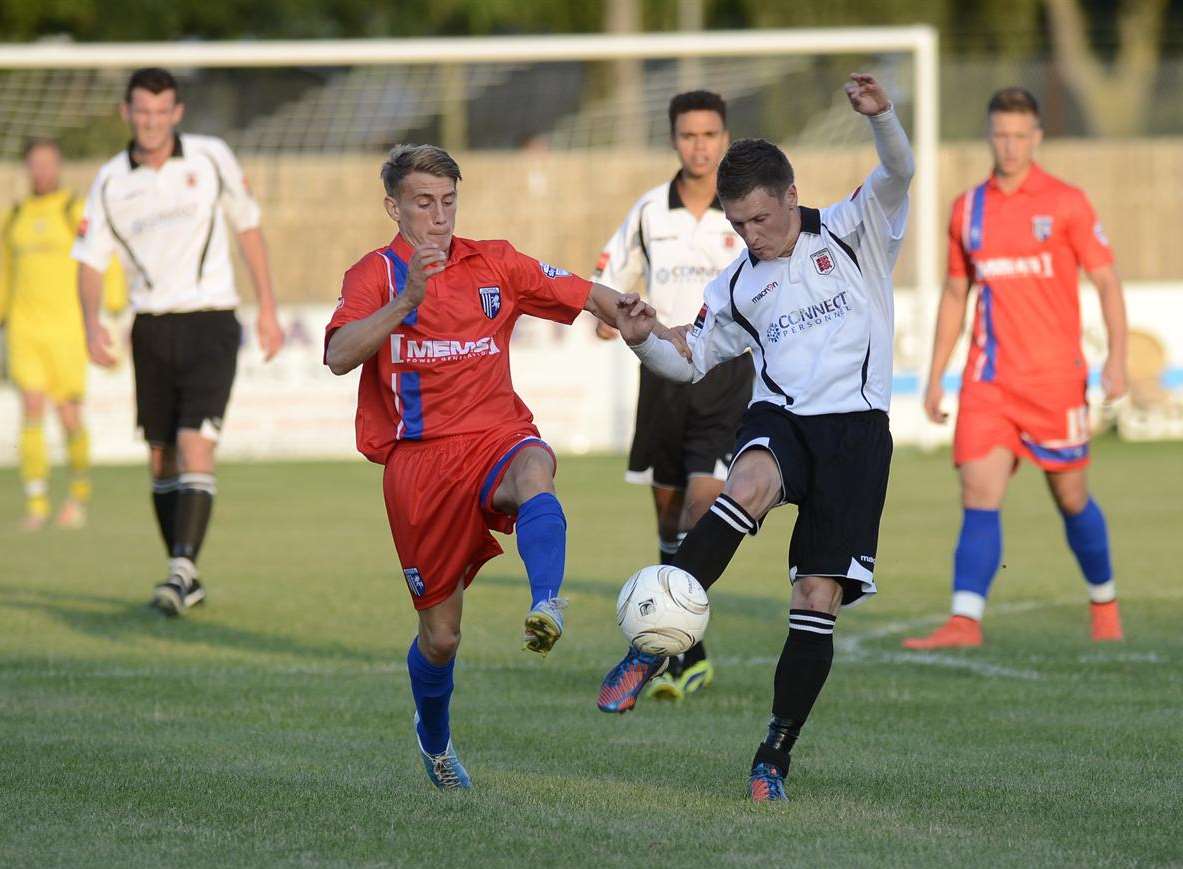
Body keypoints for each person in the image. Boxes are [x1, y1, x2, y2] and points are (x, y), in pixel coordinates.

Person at [597, 74, 914, 803]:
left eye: (762, 220)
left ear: (790, 194)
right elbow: (688, 358)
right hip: (780, 420)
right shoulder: (738, 282)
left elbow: (899, 170)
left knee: (814, 595)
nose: (751, 237)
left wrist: (883, 119)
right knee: (744, 483)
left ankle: (773, 751)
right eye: (739, 224)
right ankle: (650, 648)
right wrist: (640, 339)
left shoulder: (853, 227)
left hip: (855, 435)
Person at [323, 143, 661, 791]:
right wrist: (405, 301)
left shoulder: (495, 262)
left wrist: (642, 319)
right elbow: (339, 353)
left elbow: (587, 293)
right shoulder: (375, 274)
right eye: (424, 203)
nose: (439, 216)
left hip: (496, 437)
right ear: (393, 207)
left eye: (448, 201)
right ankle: (435, 739)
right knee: (441, 639)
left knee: (535, 466)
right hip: (420, 469)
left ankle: (546, 602)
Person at [902, 87, 1127, 651]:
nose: (1010, 145)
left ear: (1037, 137)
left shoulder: (1067, 202)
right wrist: (935, 376)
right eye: (1001, 133)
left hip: (1055, 383)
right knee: (978, 493)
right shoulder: (968, 208)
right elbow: (957, 293)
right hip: (988, 383)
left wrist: (1117, 359)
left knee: (1072, 498)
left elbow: (1105, 280)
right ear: (988, 134)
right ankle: (964, 621)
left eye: (1020, 134)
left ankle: (1105, 604)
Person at [72, 67, 284, 615]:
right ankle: (184, 573)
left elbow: (248, 228)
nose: (151, 121)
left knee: (195, 442)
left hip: (211, 318)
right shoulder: (109, 180)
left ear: (177, 113)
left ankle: (179, 570)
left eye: (161, 111)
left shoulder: (211, 157)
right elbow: (90, 261)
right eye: (142, 111)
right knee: (161, 456)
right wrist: (91, 319)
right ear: (127, 113)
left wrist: (267, 306)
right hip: (151, 327)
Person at [593, 90, 751, 702]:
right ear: (674, 140)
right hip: (662, 373)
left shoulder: (743, 209)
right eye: (689, 135)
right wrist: (605, 315)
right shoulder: (647, 212)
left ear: (724, 139)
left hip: (727, 377)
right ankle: (688, 650)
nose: (700, 145)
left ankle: (675, 648)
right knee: (666, 514)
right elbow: (608, 277)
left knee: (699, 508)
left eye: (710, 134)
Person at [1, 138, 125, 530]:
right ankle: (36, 501)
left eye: (48, 164)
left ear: (58, 167)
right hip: (24, 328)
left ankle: (78, 495)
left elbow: (104, 256)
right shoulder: (15, 216)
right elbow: (4, 269)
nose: (41, 171)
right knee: (32, 408)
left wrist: (115, 306)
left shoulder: (74, 211)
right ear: (27, 169)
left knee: (69, 415)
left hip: (67, 328)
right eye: (35, 164)